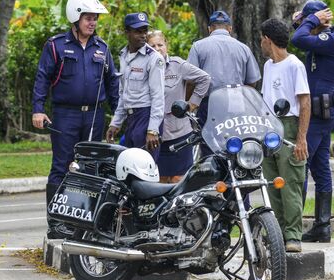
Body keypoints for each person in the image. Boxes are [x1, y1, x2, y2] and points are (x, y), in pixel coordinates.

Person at [32, 0, 119, 239]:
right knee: (62, 166)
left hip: (94, 116)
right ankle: (57, 223)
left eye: (95, 19)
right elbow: (42, 78)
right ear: (75, 17)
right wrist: (38, 109)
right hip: (65, 115)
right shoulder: (56, 45)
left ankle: (85, 222)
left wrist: (119, 116)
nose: (93, 23)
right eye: (88, 18)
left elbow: (112, 83)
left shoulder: (102, 48)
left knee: (91, 168)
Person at [291, 0, 334, 243]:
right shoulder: (321, 37)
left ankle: (291, 228)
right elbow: (297, 35)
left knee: (300, 164)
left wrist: (312, 21)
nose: (305, 24)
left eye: (308, 20)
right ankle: (322, 227)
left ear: (320, 20)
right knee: (320, 167)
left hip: (319, 113)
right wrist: (300, 21)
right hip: (319, 111)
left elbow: (298, 40)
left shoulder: (332, 39)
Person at [259, 18, 311, 253]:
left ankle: (293, 236)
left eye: (261, 38)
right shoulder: (268, 65)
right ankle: (277, 233)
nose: (260, 42)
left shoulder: (294, 65)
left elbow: (305, 101)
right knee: (272, 182)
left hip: (289, 125)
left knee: (290, 183)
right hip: (268, 127)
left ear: (268, 40)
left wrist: (301, 138)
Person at [188, 10, 261, 154]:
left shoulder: (198, 46)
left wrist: (189, 103)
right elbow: (252, 81)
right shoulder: (243, 48)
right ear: (230, 28)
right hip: (236, 104)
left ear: (210, 29)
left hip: (209, 104)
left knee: (209, 146)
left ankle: (213, 176)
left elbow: (190, 80)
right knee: (235, 144)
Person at [147, 30, 210, 183]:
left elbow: (204, 79)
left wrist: (192, 104)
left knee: (179, 180)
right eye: (152, 46)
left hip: (179, 134)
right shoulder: (144, 67)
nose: (157, 48)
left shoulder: (177, 65)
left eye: (160, 44)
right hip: (155, 134)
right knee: (158, 181)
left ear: (166, 45)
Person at [106, 13, 165, 161]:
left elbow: (158, 96)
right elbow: (123, 93)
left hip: (146, 117)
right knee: (130, 169)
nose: (143, 35)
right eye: (138, 31)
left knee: (145, 169)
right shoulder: (123, 55)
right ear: (127, 32)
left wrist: (152, 130)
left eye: (145, 31)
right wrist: (116, 123)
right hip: (131, 119)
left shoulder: (153, 58)